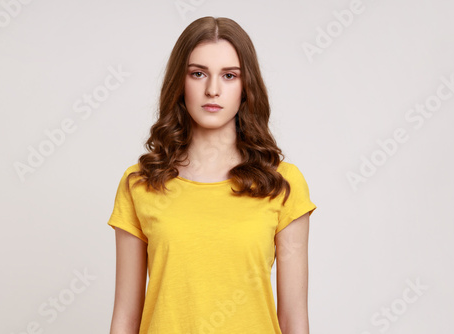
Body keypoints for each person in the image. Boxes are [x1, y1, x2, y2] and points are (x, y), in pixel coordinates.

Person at [107, 16, 317, 334]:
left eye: (229, 75)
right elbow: (126, 317)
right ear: (180, 82)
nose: (213, 90)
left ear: (246, 87)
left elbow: (293, 319)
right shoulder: (140, 182)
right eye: (198, 73)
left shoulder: (281, 184)